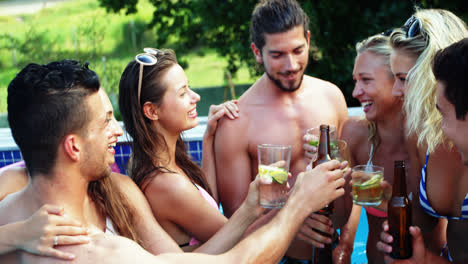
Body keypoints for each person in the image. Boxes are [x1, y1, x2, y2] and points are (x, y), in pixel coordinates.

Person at [214, 0, 349, 261]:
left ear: (308, 40)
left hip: (333, 251)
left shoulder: (332, 97)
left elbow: (351, 179)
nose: (291, 65)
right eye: (277, 55)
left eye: (298, 50)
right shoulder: (237, 121)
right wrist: (292, 219)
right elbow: (234, 223)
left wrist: (347, 242)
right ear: (257, 52)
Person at [118, 48, 266, 251]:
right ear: (152, 111)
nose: (195, 97)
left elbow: (204, 206)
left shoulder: (155, 161)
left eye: (190, 87)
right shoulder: (166, 183)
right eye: (182, 93)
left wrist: (208, 138)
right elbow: (241, 239)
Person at [375, 9, 468, 263]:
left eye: (404, 78)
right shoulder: (419, 131)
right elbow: (424, 221)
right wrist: (390, 203)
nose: (396, 90)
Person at [335, 33, 407, 264]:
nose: (356, 92)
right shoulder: (354, 135)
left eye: (366, 80)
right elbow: (339, 216)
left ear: (397, 80)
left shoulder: (427, 140)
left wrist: (390, 203)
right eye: (355, 81)